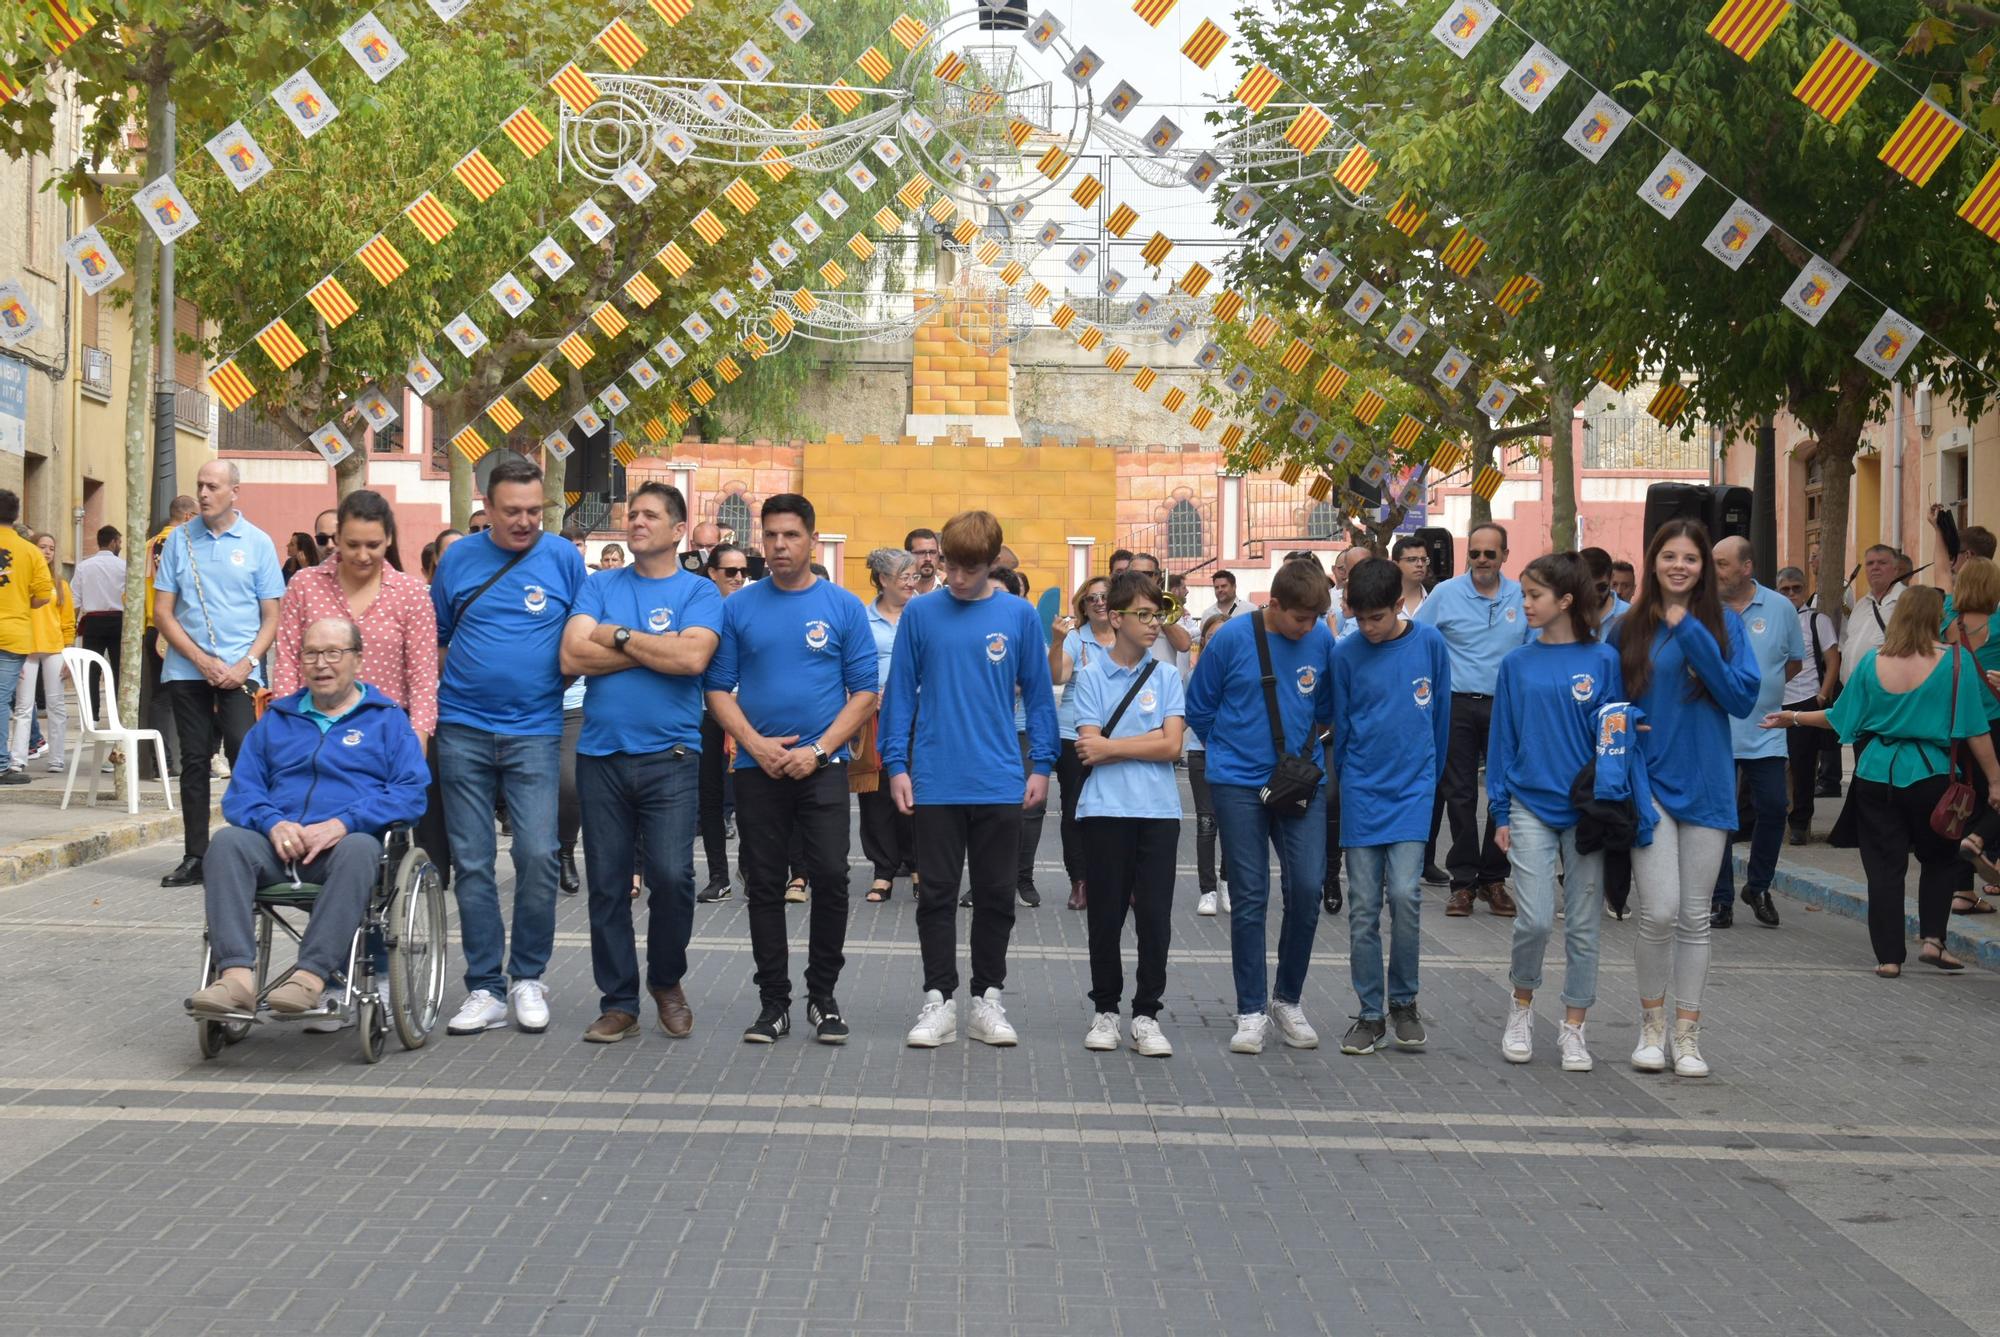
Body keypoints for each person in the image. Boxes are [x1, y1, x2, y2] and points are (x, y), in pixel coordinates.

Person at [186, 617, 430, 1019]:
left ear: (357, 660)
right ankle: (235, 978)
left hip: (342, 853)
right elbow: (242, 793)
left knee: (360, 848)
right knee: (227, 843)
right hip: (277, 847)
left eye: (334, 653)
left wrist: (344, 823)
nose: (322, 664)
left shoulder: (386, 720)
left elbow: (411, 792)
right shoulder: (277, 721)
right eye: (311, 653)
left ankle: (311, 977)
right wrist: (272, 822)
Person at [881, 510, 1057, 1049]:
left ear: (993, 563)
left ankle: (988, 999)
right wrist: (896, 765)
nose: (955, 577)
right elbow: (900, 694)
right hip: (934, 777)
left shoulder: (1020, 616)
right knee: (935, 895)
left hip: (1000, 778)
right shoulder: (921, 615)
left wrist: (1043, 764)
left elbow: (1040, 694)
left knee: (996, 895)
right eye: (949, 565)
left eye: (969, 569)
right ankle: (939, 1000)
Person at [705, 494, 877, 1045]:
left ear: (811, 538)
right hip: (759, 769)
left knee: (830, 875)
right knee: (764, 884)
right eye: (771, 536)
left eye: (791, 536)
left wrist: (819, 751)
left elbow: (865, 694)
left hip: (820, 768)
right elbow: (717, 689)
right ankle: (773, 1002)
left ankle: (822, 997)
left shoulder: (844, 607)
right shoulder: (738, 607)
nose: (779, 546)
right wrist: (756, 745)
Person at [560, 482, 721, 1044]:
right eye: (632, 514)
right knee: (607, 885)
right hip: (601, 756)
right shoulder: (598, 582)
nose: (636, 522)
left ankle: (667, 982)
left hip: (672, 757)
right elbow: (573, 653)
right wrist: (656, 650)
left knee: (673, 878)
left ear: (678, 530)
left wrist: (620, 637)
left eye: (650, 515)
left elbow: (694, 656)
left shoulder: (699, 593)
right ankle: (618, 1001)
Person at [432, 457, 587, 1036]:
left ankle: (527, 977)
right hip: (463, 730)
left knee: (538, 854)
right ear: (487, 508)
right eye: (512, 511)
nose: (525, 521)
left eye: (534, 511)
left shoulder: (564, 559)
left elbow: (580, 635)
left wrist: (541, 686)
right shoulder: (458, 560)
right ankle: (484, 988)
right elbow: (441, 639)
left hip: (536, 731)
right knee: (471, 862)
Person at [1771, 585, 1996, 975]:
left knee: (1883, 866)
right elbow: (1976, 730)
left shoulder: (1873, 661)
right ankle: (1933, 940)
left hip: (1875, 772)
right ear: (1935, 618)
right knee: (1939, 860)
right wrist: (1995, 781)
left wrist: (1792, 717)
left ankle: (1889, 957)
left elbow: (1841, 717)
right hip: (1932, 773)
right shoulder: (1955, 662)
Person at [1610, 519, 1761, 1078]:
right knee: (1660, 911)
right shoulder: (1626, 629)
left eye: (1691, 559)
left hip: (1707, 783)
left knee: (1696, 917)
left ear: (1704, 568)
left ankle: (1688, 1036)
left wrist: (1692, 632)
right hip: (1647, 787)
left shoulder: (1726, 626)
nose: (1679, 565)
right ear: (1652, 562)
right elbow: (1605, 709)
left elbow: (1741, 698)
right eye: (1669, 556)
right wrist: (1627, 733)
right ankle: (1650, 1028)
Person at [1185, 560, 1336, 1056]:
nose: (1308, 628)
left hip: (1296, 783)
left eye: (1315, 618)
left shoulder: (1321, 640)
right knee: (1250, 896)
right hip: (1237, 784)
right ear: (1274, 605)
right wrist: (1229, 751)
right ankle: (1250, 1009)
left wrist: (1309, 757)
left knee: (1308, 886)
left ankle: (1286, 999)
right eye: (1300, 618)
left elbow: (1327, 709)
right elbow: (1200, 704)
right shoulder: (1230, 638)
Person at [1488, 553, 1624, 1071]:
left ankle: (1574, 1027)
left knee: (1585, 926)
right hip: (1529, 804)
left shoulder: (1603, 660)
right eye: (1523, 594)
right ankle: (1521, 1008)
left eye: (1533, 595)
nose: (1524, 604)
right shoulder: (1516, 663)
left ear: (1565, 600)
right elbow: (1502, 741)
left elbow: (1613, 737)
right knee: (1536, 919)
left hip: (1587, 811)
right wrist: (1500, 811)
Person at [1328, 557, 1450, 1057]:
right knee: (1362, 908)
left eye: (1377, 618)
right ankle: (1370, 1012)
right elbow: (1340, 724)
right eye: (1361, 618)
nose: (1369, 628)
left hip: (1413, 790)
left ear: (1399, 605)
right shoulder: (1345, 653)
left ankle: (1404, 1002)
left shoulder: (1429, 644)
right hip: (1361, 791)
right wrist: (1349, 779)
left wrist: (1428, 778)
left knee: (1404, 895)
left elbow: (1440, 716)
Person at [152, 463, 285, 887]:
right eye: (200, 485)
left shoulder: (258, 543)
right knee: (193, 760)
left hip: (241, 672)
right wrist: (200, 660)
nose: (204, 493)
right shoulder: (178, 542)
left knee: (245, 755)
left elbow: (271, 617)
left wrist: (246, 663)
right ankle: (196, 855)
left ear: (234, 492)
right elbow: (163, 613)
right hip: (187, 669)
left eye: (213, 486)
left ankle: (250, 851)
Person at [1073, 570, 1186, 1057]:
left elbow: (1173, 746)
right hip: (1104, 811)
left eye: (1157, 614)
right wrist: (1145, 743)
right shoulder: (1092, 674)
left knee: (1155, 918)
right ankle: (1105, 1011)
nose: (1154, 623)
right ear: (1114, 617)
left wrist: (1114, 746)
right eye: (1143, 614)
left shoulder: (1166, 676)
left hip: (1159, 811)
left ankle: (1146, 1013)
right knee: (1106, 914)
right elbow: (1086, 749)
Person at [1412, 522, 1526, 916]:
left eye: (1489, 554)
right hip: (1456, 704)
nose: (1481, 560)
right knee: (1458, 794)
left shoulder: (1521, 594)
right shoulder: (1445, 594)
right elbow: (1416, 638)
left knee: (1501, 793)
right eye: (1474, 553)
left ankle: (1495, 879)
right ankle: (1463, 883)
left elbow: (1531, 651)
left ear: (1504, 557)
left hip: (1504, 707)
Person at [1709, 537, 1803, 930]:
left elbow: (1793, 663)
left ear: (1746, 567)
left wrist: (1765, 695)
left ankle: (1758, 886)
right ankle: (1721, 900)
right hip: (1715, 730)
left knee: (1773, 807)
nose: (1715, 571)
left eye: (1722, 564)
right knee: (1719, 820)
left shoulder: (1780, 607)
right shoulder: (1704, 610)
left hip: (1766, 729)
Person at [1048, 576, 1116, 911]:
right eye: (1092, 599)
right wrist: (1058, 643)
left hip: (1119, 737)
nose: (1100, 602)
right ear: (1083, 606)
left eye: (1105, 596)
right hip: (1074, 735)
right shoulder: (1077, 639)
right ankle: (1080, 881)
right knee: (1075, 810)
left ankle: (1117, 881)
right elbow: (1059, 677)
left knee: (1115, 810)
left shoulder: (1127, 636)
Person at [1938, 557, 2000, 913]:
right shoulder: (1998, 621)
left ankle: (1961, 892)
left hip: (1960, 726)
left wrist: (1938, 534)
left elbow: (1944, 577)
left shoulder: (1950, 620)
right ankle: (1979, 839)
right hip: (1995, 718)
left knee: (1965, 802)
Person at [859, 548, 919, 903]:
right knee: (877, 794)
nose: (912, 583)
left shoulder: (924, 613)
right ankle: (883, 870)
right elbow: (852, 662)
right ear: (883, 580)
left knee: (919, 789)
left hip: (920, 713)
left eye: (914, 576)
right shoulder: (862, 618)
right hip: (876, 715)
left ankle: (918, 864)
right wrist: (868, 692)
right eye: (905, 577)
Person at [694, 543, 750, 903]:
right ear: (712, 572)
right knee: (711, 798)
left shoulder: (752, 607)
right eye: (730, 571)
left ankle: (750, 867)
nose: (739, 578)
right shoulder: (701, 609)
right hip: (705, 713)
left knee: (750, 796)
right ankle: (718, 875)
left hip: (748, 714)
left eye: (743, 571)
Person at [1775, 565, 1840, 847]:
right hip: (1774, 701)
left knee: (1803, 769)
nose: (1791, 594)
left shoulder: (1818, 621)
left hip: (1805, 701)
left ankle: (1799, 824)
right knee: (1770, 765)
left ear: (1804, 589)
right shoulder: (1771, 619)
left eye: (1796, 588)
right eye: (1784, 589)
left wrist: (1822, 697)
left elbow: (1833, 660)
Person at [141, 495, 197, 782]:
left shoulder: (148, 545)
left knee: (159, 698)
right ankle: (185, 762)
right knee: (188, 694)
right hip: (180, 627)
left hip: (152, 627)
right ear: (188, 517)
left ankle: (159, 761)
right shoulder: (187, 544)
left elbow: (134, 592)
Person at [8, 532, 73, 777]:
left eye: (52, 548)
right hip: (25, 647)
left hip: (54, 647)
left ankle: (57, 758)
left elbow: (68, 621)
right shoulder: (23, 581)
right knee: (24, 706)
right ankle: (18, 758)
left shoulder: (60, 584)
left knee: (56, 705)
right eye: (42, 547)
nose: (47, 552)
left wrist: (68, 652)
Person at [0, 500, 52, 786]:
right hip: (13, 634)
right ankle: (0, 764)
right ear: (16, 514)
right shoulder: (29, 551)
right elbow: (43, 595)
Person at [1187, 610, 1230, 917]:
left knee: (1233, 822)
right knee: (1206, 821)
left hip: (1233, 755)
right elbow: (1191, 711)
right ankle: (1208, 889)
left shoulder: (1242, 670)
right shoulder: (1194, 673)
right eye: (1212, 637)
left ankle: (1227, 882)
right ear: (1203, 641)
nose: (1218, 643)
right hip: (1200, 752)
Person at [73, 525, 124, 728]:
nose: (120, 545)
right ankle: (119, 715)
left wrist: (71, 630)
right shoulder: (124, 566)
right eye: (119, 541)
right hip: (119, 621)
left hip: (93, 622)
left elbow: (75, 601)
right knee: (120, 669)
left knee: (90, 670)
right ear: (112, 542)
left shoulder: (84, 567)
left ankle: (91, 716)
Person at [1389, 536, 1430, 619]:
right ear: (1395, 565)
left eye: (1423, 559)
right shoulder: (1383, 598)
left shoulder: (1434, 596)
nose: (1420, 564)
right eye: (1412, 559)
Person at [903, 527, 941, 595]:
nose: (928, 559)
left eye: (932, 552)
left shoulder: (951, 591)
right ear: (907, 556)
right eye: (921, 553)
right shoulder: (897, 594)